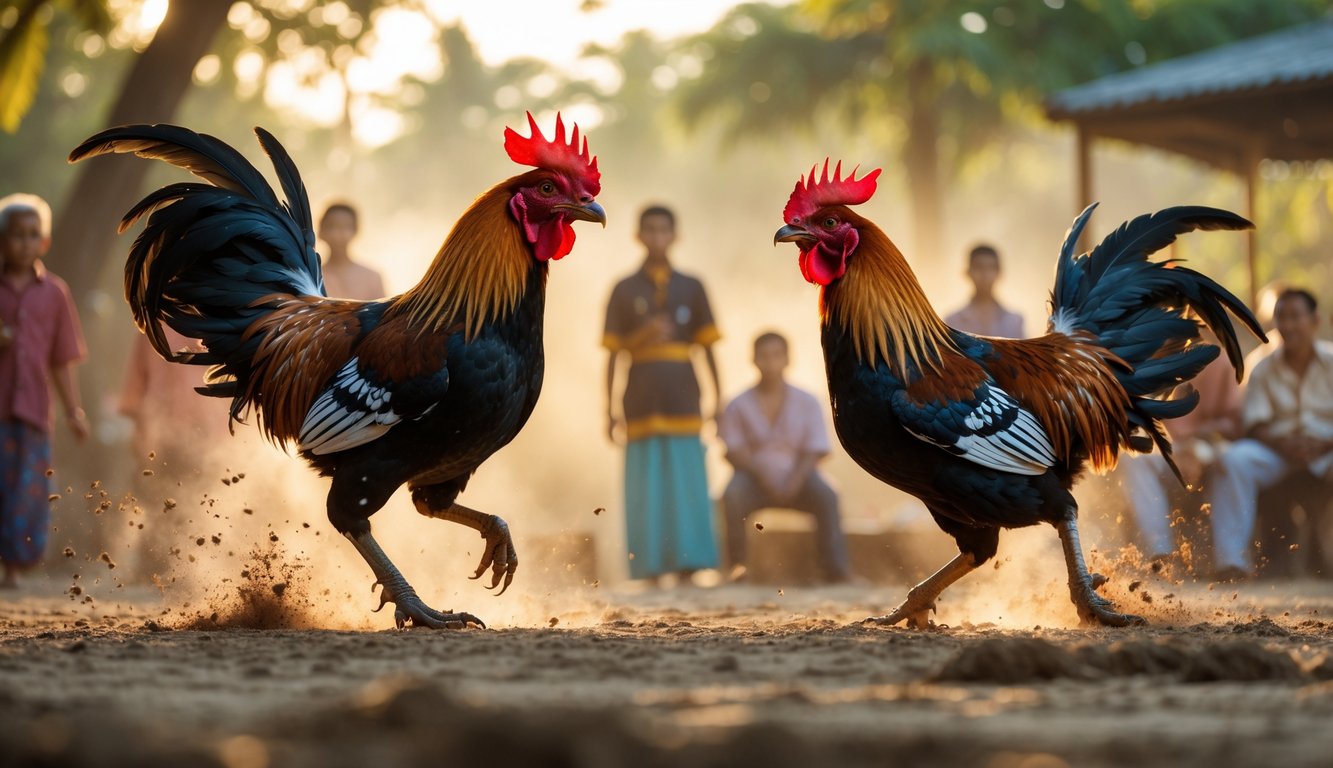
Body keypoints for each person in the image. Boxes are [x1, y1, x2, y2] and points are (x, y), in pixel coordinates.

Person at [603, 205, 721, 584]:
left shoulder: (693, 285)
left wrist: (719, 400)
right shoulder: (623, 288)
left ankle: (690, 566)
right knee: (644, 485)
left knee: (687, 482)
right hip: (638, 396)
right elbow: (613, 355)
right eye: (649, 230)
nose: (656, 237)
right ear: (638, 236)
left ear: (675, 235)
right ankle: (649, 567)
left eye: (663, 230)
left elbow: (708, 350)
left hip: (684, 394)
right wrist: (607, 410)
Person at [1210, 288, 1333, 581]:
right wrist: (1285, 443)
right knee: (1233, 460)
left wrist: (1324, 443)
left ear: (1315, 320)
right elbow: (1254, 424)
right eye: (1281, 317)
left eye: (1295, 317)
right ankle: (1231, 563)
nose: (1287, 325)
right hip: (1277, 452)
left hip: (1327, 450)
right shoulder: (1261, 364)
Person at [0, 194, 88, 588]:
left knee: (27, 491)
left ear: (44, 243)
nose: (24, 242)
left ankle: (13, 568)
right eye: (15, 235)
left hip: (34, 411)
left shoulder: (55, 293)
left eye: (32, 235)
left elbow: (62, 359)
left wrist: (74, 412)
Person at [718, 331, 854, 583]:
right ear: (754, 360)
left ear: (787, 359)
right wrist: (763, 475)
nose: (770, 363)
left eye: (776, 355)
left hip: (800, 478)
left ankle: (835, 570)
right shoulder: (737, 404)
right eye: (764, 356)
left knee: (828, 494)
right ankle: (737, 569)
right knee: (732, 493)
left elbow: (814, 450)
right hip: (753, 480)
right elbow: (733, 451)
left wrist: (795, 479)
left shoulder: (808, 401)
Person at [1117, 329, 1242, 562]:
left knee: (1233, 462)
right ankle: (1160, 554)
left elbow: (1233, 422)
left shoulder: (1219, 359)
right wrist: (1179, 448)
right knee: (1133, 461)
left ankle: (1231, 562)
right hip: (1169, 450)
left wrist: (1197, 443)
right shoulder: (1148, 361)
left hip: (1213, 448)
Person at [944, 243, 1024, 338]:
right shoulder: (953, 322)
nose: (985, 274)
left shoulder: (1014, 321)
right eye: (979, 267)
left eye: (991, 268)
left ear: (999, 272)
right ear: (968, 272)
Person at [317, 202, 386, 301]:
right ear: (321, 231)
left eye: (346, 227)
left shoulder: (372, 277)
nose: (339, 234)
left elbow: (384, 315)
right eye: (332, 226)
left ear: (356, 230)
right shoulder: (312, 279)